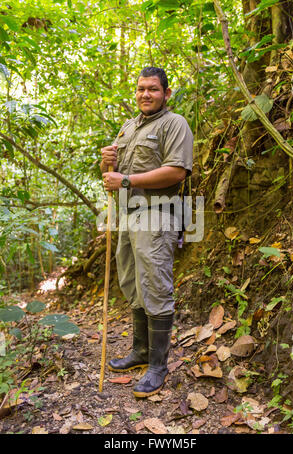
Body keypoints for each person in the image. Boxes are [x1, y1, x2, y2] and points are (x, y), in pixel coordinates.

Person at [100, 67, 193, 398]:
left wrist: (127, 180)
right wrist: (107, 165)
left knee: (155, 285)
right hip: (128, 215)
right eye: (141, 89)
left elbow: (177, 172)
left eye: (153, 89)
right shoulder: (128, 128)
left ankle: (157, 365)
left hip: (157, 216)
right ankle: (140, 352)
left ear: (166, 93)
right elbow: (116, 180)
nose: (145, 94)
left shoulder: (174, 123)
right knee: (132, 283)